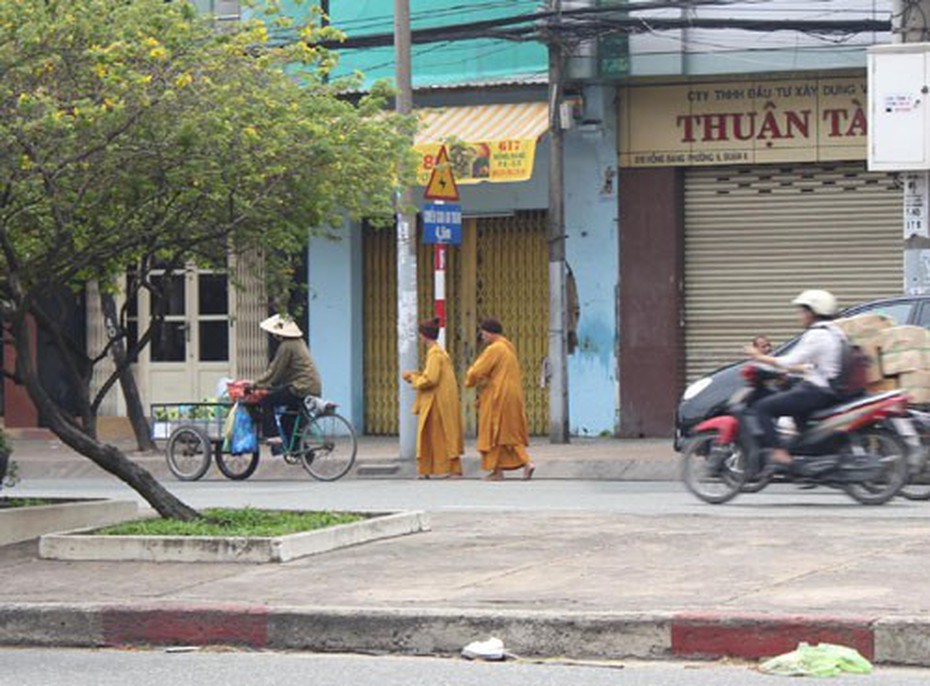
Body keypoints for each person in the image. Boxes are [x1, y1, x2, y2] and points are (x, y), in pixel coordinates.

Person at [744, 290, 844, 467]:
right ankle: (806, 464)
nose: (799, 316)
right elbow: (811, 363)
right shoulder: (834, 331)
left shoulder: (817, 334)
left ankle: (779, 452)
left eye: (802, 311)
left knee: (763, 407)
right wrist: (795, 371)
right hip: (825, 387)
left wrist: (759, 357)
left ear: (813, 312)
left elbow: (790, 360)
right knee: (798, 418)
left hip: (817, 390)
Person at [465, 318, 536, 481]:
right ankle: (525, 463)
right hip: (513, 395)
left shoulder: (495, 349)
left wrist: (470, 380)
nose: (481, 336)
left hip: (498, 395)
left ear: (489, 332)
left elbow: (477, 371)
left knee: (492, 432)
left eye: (483, 333)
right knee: (508, 432)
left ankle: (499, 471)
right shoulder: (508, 347)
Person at [402, 318, 464, 479]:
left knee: (431, 436)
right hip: (439, 401)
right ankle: (430, 470)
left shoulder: (435, 354)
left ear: (424, 336)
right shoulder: (438, 352)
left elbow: (431, 379)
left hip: (436, 403)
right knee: (440, 436)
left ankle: (440, 469)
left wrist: (413, 379)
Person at [251, 314, 321, 446]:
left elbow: (275, 370)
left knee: (267, 400)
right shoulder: (299, 342)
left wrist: (256, 384)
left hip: (301, 388)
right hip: (311, 386)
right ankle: (300, 452)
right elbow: (287, 371)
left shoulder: (287, 346)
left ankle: (273, 435)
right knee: (286, 420)